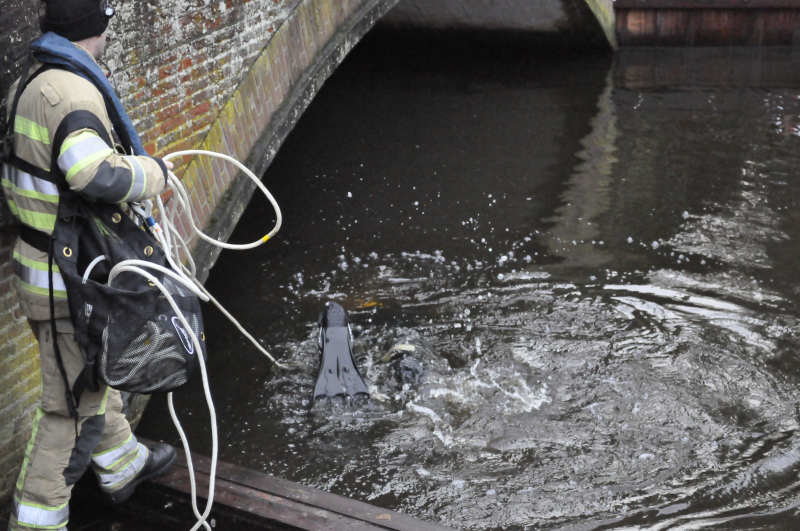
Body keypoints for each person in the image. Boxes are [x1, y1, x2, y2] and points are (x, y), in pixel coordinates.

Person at [3, 1, 178, 529]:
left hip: (44, 267)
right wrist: (154, 174)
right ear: (94, 28)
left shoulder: (32, 81)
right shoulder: (72, 93)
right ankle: (36, 520)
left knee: (92, 377)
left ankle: (122, 464)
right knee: (70, 407)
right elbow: (91, 173)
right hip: (65, 281)